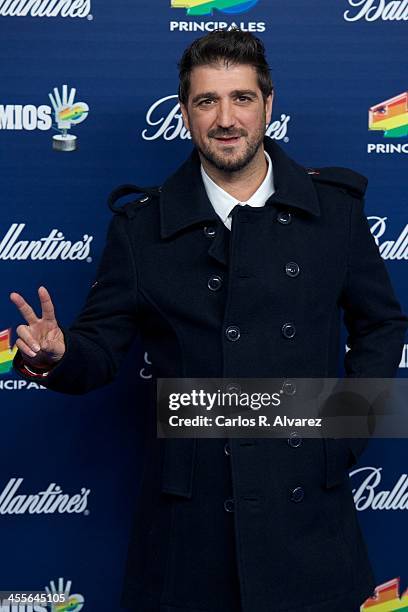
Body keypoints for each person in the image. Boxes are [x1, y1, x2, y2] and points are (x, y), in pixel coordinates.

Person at [10, 29, 407, 612]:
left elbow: (382, 327)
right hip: (188, 528)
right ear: (184, 113)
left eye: (242, 98)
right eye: (206, 101)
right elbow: (99, 348)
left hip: (307, 518)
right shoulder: (142, 228)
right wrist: (57, 355)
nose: (226, 119)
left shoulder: (336, 213)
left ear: (269, 104)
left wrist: (343, 437)